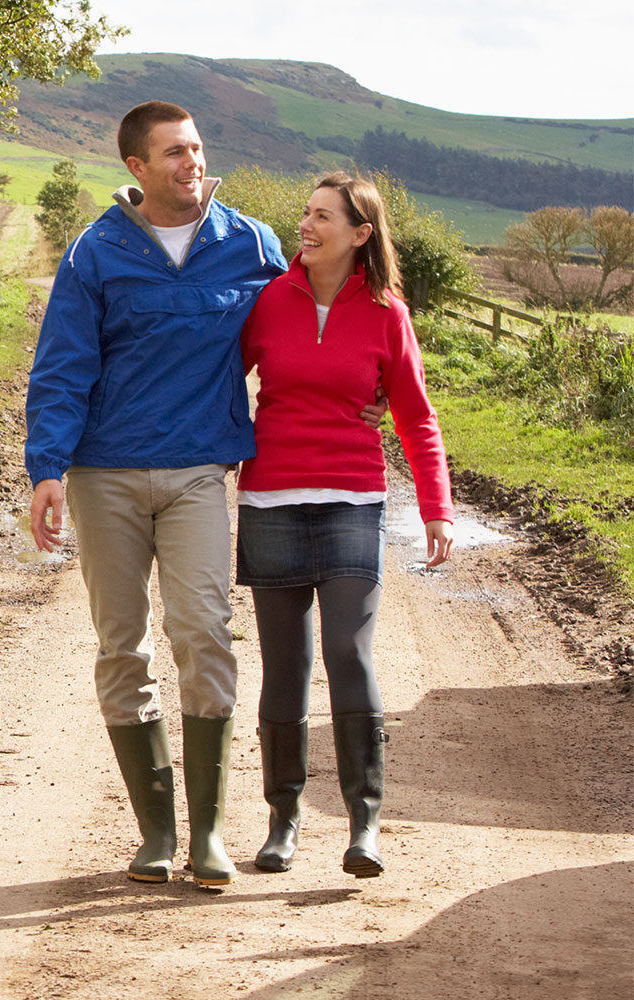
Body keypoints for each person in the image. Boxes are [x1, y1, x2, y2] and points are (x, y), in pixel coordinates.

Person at [25, 101, 286, 888]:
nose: (191, 162)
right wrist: (47, 469)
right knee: (121, 644)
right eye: (174, 151)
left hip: (200, 471)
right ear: (136, 167)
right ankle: (156, 833)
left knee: (204, 630)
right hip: (104, 475)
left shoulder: (249, 244)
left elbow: (310, 323)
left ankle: (207, 833)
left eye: (197, 148)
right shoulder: (95, 253)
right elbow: (63, 366)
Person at [239, 171, 453, 880]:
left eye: (322, 216)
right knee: (285, 667)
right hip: (270, 500)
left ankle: (364, 824)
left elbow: (416, 414)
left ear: (360, 234)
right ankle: (285, 820)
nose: (306, 224)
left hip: (351, 500)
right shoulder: (268, 300)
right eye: (305, 212)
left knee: (347, 653)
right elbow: (215, 384)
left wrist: (437, 508)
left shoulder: (387, 312)